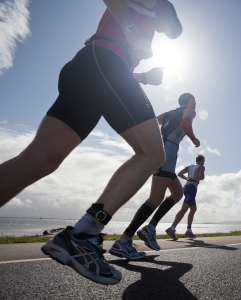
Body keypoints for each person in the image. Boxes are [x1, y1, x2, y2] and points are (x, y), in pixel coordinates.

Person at [0, 0, 183, 285]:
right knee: (152, 153)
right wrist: (134, 29)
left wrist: (142, 76)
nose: (164, 30)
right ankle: (84, 235)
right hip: (103, 62)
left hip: (89, 67)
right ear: (167, 9)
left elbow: (112, 53)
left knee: (39, 159)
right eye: (168, 23)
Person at [109, 92, 200, 258]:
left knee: (177, 193)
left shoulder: (168, 113)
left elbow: (150, 123)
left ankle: (150, 228)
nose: (195, 104)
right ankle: (123, 241)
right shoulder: (190, 111)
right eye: (195, 101)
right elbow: (186, 124)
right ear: (190, 101)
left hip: (162, 151)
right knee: (155, 198)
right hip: (168, 153)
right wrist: (194, 140)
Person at [165, 154, 206, 240]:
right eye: (203, 161)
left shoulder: (189, 167)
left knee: (193, 209)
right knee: (184, 209)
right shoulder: (201, 167)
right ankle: (172, 228)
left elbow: (179, 174)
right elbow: (201, 177)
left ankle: (189, 231)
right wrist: (200, 174)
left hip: (186, 187)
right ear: (201, 161)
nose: (203, 163)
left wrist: (187, 178)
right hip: (192, 188)